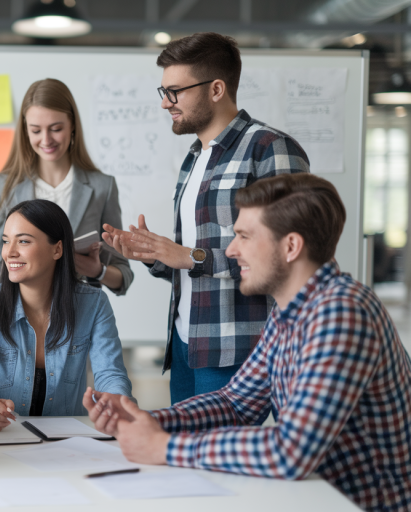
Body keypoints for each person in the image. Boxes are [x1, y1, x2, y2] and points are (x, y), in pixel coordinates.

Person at [87, 174, 411, 512]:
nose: (230, 250)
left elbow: (291, 452)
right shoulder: (290, 309)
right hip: (316, 498)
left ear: (291, 247)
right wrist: (149, 421)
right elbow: (236, 404)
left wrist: (164, 448)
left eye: (243, 236)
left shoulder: (341, 313)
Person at [103, 32, 310, 403]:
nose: (166, 104)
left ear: (216, 89)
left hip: (239, 349)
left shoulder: (270, 149)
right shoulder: (193, 158)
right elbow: (194, 266)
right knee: (184, 459)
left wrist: (189, 256)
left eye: (175, 92)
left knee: (217, 461)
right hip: (185, 344)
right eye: (162, 91)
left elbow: (286, 256)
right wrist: (155, 255)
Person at [0, 199, 133, 431]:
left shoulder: (94, 303)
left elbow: (110, 374)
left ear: (57, 249)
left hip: (67, 438)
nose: (10, 252)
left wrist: (117, 401)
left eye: (24, 241)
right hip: (2, 436)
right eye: (6, 241)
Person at [0, 78, 133, 295]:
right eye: (35, 130)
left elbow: (123, 276)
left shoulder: (103, 187)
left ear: (72, 126)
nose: (46, 140)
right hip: (18, 317)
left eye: (56, 128)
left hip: (80, 315)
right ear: (25, 130)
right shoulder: (2, 186)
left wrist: (97, 270)